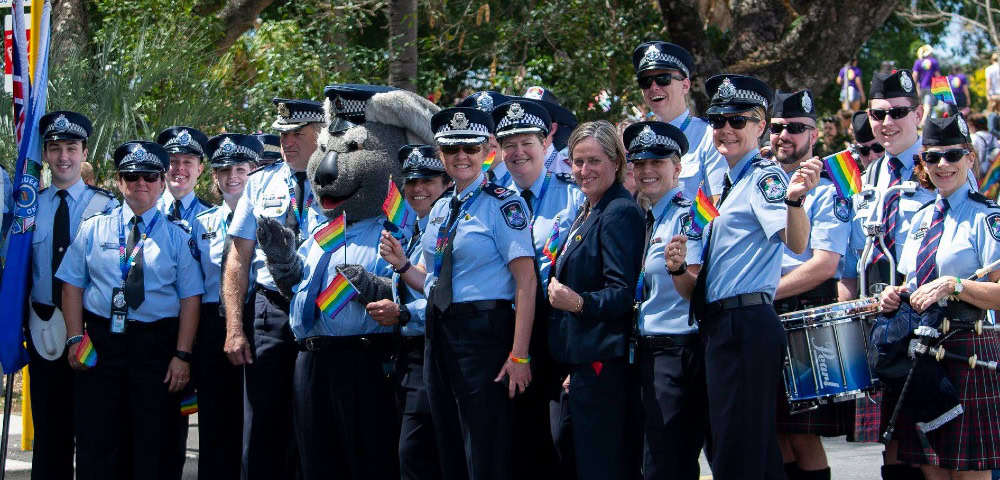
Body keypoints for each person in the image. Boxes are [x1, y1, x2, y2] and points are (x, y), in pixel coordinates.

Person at [677, 74, 821, 480]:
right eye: (717, 120)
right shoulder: (725, 184)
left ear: (761, 127)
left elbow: (795, 242)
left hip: (746, 323)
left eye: (738, 121)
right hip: (722, 324)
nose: (725, 129)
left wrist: (794, 201)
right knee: (746, 451)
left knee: (738, 453)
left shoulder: (764, 177)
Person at [56, 140, 203, 479]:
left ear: (161, 182)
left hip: (156, 347)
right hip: (102, 344)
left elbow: (190, 298)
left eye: (149, 176)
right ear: (119, 181)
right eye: (132, 176)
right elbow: (72, 285)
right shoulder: (94, 228)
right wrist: (75, 338)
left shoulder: (178, 237)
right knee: (98, 438)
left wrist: (182, 355)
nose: (141, 183)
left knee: (154, 441)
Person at [879, 115, 1000, 479]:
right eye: (932, 157)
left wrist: (955, 285)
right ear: (923, 164)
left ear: (970, 158)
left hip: (970, 353)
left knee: (967, 474)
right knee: (930, 470)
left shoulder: (987, 217)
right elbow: (911, 282)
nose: (943, 165)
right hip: (922, 355)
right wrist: (893, 294)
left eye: (952, 155)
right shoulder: (919, 220)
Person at [421, 106, 536, 480]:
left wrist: (519, 355)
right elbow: (433, 277)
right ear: (441, 155)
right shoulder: (440, 209)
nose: (461, 157)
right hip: (440, 330)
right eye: (452, 150)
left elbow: (527, 281)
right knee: (449, 438)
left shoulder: (504, 203)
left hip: (484, 332)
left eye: (470, 148)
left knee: (485, 445)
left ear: (487, 150)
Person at [222, 98, 324, 479]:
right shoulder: (261, 182)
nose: (288, 141)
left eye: (298, 133)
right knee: (263, 423)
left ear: (321, 135)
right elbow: (238, 258)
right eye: (283, 133)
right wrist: (234, 327)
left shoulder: (339, 178)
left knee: (313, 422)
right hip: (272, 311)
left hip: (321, 308)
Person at [491, 99, 585, 477]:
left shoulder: (575, 194)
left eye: (526, 141)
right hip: (507, 331)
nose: (517, 152)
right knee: (520, 444)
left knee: (561, 442)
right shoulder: (491, 198)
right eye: (509, 143)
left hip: (559, 331)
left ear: (547, 141)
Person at [545, 120, 645, 479]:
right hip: (581, 363)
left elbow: (622, 293)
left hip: (605, 365)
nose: (584, 170)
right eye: (577, 161)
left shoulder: (618, 212)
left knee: (601, 465)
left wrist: (578, 302)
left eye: (594, 161)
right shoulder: (588, 211)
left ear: (616, 162)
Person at [27, 111, 116, 480]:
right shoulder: (29, 207)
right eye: (55, 148)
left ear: (83, 153)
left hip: (93, 330)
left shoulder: (108, 206)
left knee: (94, 431)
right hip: (43, 327)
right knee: (50, 433)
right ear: (45, 154)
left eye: (72, 148)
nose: (64, 156)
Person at [769, 90, 853, 480]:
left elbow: (823, 266)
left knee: (803, 435)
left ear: (814, 135)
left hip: (804, 308)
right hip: (766, 311)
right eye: (778, 127)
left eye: (796, 128)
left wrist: (763, 293)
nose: (785, 135)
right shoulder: (759, 178)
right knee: (775, 431)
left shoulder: (830, 187)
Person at [624, 120, 706, 480]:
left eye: (657, 162)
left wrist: (677, 270)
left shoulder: (690, 217)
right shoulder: (647, 218)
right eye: (640, 163)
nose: (647, 171)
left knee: (666, 463)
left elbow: (697, 287)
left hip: (677, 351)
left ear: (678, 168)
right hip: (646, 352)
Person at [368, 145, 452, 480]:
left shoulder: (444, 227)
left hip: (435, 351)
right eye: (412, 181)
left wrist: (404, 313)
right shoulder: (415, 230)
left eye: (428, 180)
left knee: (416, 457)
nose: (418, 188)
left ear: (446, 183)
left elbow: (445, 292)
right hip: (407, 356)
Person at [189, 134, 262, 479]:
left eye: (240, 169)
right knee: (215, 420)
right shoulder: (198, 224)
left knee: (254, 418)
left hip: (256, 320)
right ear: (214, 177)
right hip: (211, 325)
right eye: (224, 170)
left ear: (253, 172)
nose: (232, 176)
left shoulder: (267, 221)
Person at [632, 41, 726, 202]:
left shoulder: (709, 137)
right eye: (645, 82)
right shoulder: (638, 140)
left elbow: (715, 203)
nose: (653, 87)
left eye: (663, 79)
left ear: (685, 85)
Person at [156, 126, 213, 225]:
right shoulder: (146, 210)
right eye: (173, 161)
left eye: (187, 162)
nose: (180, 167)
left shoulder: (212, 217)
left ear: (199, 169)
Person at [521, 86, 578, 174]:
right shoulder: (509, 165)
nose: (525, 125)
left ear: (552, 129)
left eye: (535, 121)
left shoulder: (570, 171)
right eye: (523, 119)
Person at [459, 90, 511, 184]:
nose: (490, 136)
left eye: (495, 128)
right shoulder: (459, 179)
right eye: (481, 129)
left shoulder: (522, 180)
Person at [913, 45, 941, 121]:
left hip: (919, 87)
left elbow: (915, 75)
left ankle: (917, 120)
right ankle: (923, 120)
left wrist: (913, 86)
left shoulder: (918, 62)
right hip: (930, 87)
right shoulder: (934, 61)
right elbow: (937, 75)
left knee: (918, 104)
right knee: (927, 104)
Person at [970, 113, 998, 178]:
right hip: (991, 174)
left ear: (972, 125)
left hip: (977, 174)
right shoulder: (993, 137)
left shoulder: (973, 137)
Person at [987, 53, 1000, 132]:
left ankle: (992, 133)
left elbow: (989, 83)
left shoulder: (989, 69)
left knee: (991, 114)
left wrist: (988, 94)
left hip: (993, 95)